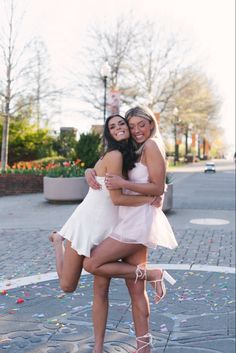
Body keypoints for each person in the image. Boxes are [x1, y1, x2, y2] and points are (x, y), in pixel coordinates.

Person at [49, 114, 162, 353]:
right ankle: (58, 240)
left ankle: (109, 348)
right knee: (69, 285)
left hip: (112, 227)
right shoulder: (116, 155)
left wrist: (92, 170)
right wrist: (149, 198)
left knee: (107, 288)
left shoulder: (133, 153)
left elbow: (137, 184)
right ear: (108, 133)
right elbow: (117, 195)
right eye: (114, 126)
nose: (122, 128)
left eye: (124, 124)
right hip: (89, 225)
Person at [84, 106, 178, 352]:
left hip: (137, 221)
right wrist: (88, 171)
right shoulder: (132, 150)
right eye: (131, 125)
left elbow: (157, 187)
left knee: (92, 264)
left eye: (141, 125)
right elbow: (103, 169)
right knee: (135, 289)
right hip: (124, 217)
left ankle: (154, 274)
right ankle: (143, 347)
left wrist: (125, 183)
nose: (136, 130)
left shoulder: (151, 146)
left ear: (151, 124)